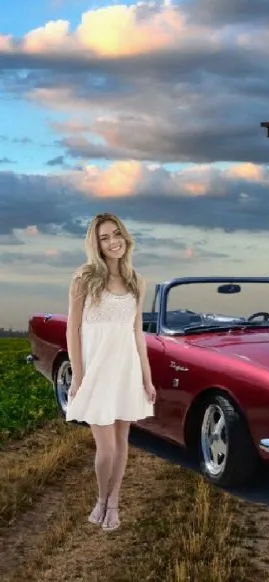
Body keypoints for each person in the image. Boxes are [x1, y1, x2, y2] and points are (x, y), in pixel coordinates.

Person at [65, 212, 156, 532]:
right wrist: (78, 375)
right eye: (105, 237)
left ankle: (113, 503)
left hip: (127, 369)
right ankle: (102, 499)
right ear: (97, 244)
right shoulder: (84, 278)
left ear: (125, 237)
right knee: (106, 448)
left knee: (122, 440)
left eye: (116, 234)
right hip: (97, 370)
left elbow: (137, 333)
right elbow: (72, 330)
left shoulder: (136, 281)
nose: (113, 241)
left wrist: (146, 377)